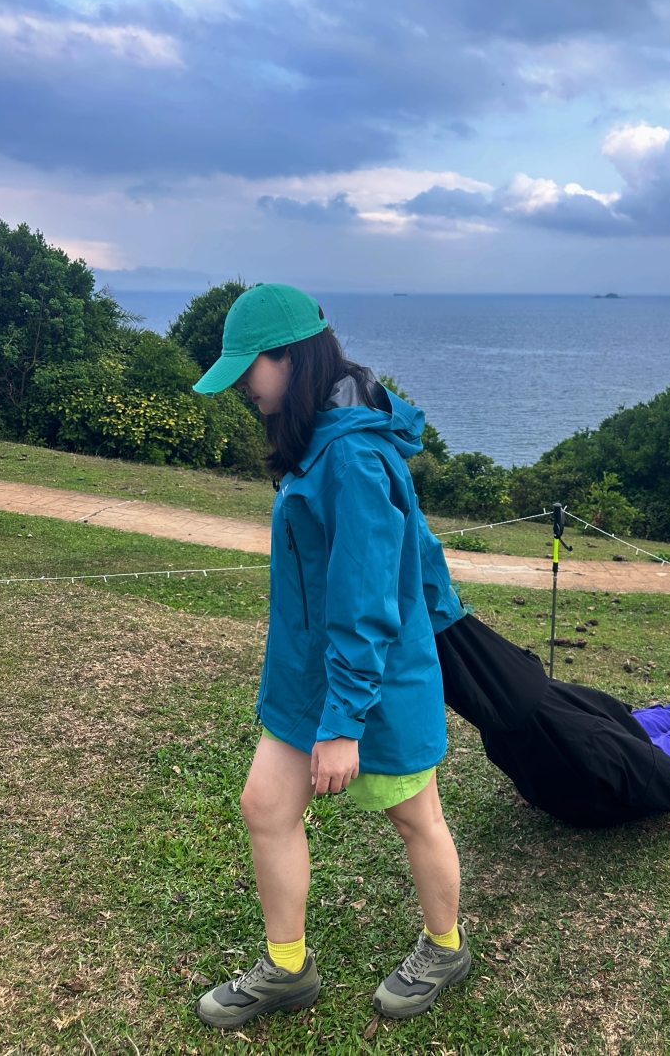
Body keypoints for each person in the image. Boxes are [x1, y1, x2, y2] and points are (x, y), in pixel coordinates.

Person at [189, 284, 471, 1030]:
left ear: (292, 357)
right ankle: (288, 969)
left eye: (250, 369)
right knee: (265, 805)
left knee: (417, 817)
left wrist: (344, 722)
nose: (244, 387)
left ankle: (446, 948)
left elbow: (368, 599)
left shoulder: (351, 455)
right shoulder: (317, 434)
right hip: (305, 676)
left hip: (373, 680)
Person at [431, 607, 670, 827]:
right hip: (610, 786)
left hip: (595, 750)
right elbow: (636, 768)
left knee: (668, 715)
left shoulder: (514, 700)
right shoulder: (583, 735)